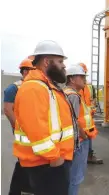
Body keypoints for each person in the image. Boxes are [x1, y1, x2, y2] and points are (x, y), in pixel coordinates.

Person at [13, 40, 78, 195]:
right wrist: (55, 158)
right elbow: (37, 133)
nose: (64, 66)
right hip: (46, 164)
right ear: (47, 62)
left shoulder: (47, 86)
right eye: (60, 61)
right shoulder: (34, 88)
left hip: (49, 162)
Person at [4, 58, 35, 195]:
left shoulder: (33, 86)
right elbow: (7, 109)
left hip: (32, 130)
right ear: (25, 71)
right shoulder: (14, 88)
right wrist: (18, 127)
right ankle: (15, 190)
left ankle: (26, 186)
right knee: (23, 160)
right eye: (33, 70)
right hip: (22, 131)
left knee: (29, 160)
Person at [64, 65, 97, 195]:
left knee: (70, 176)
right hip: (79, 140)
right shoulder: (73, 95)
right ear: (72, 79)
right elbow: (74, 121)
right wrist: (84, 135)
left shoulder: (65, 92)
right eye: (82, 77)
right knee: (76, 177)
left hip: (71, 140)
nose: (85, 80)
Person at [78, 62, 103, 164]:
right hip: (79, 118)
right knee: (80, 138)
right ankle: (82, 156)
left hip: (88, 118)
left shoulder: (89, 87)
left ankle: (89, 155)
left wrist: (93, 110)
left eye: (84, 74)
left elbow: (92, 100)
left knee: (89, 136)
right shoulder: (74, 88)